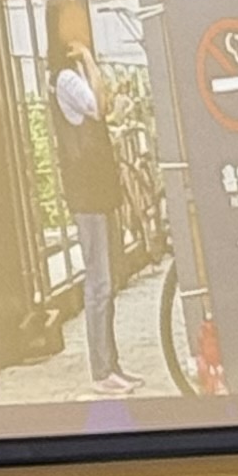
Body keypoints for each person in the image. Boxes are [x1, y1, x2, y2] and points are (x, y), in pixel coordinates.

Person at [48, 35, 137, 395]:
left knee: (106, 281)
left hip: (96, 189)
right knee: (99, 282)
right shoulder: (66, 78)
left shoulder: (72, 75)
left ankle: (111, 364)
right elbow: (98, 106)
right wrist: (87, 58)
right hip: (87, 191)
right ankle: (101, 371)